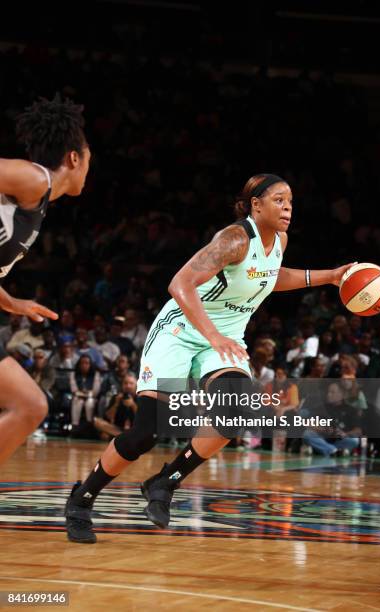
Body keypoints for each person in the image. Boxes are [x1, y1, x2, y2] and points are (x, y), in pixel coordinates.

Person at [65, 172, 354, 543]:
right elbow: (180, 283)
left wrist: (329, 276)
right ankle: (82, 499)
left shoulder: (279, 240)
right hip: (181, 330)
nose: (287, 207)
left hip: (224, 338)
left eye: (291, 201)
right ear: (256, 205)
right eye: (279, 200)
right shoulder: (234, 239)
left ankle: (164, 482)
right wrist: (213, 334)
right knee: (147, 432)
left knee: (234, 416)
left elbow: (268, 276)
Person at [0, 94, 90, 465]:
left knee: (30, 405)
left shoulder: (36, 202)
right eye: (88, 161)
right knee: (29, 405)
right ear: (73, 158)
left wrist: (12, 303)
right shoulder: (35, 178)